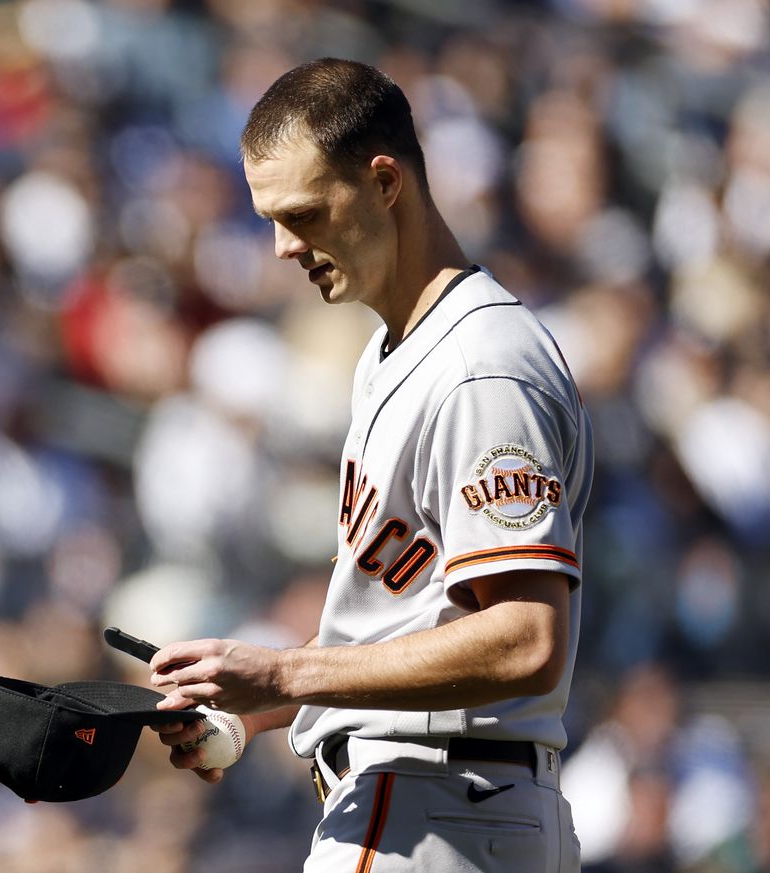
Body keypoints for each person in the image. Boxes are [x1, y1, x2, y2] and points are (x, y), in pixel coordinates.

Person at [150, 57, 590, 872]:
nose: (284, 246)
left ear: (385, 182)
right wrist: (252, 713)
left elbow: (529, 637)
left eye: (306, 212)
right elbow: (406, 615)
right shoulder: (398, 351)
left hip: (434, 809)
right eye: (270, 219)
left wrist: (285, 672)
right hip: (448, 811)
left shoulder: (478, 366)